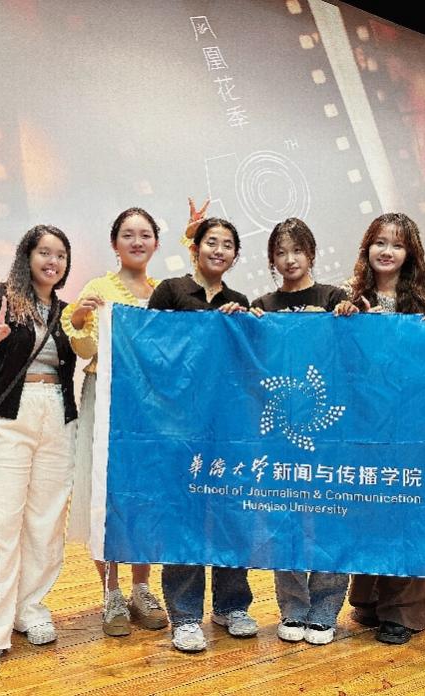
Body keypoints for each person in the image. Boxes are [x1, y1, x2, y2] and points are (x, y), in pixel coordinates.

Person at [0, 225, 78, 678]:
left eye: (60, 255)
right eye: (44, 252)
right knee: (1, 524)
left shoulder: (66, 313)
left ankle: (29, 607)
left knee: (46, 521)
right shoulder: (1, 298)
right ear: (26, 256)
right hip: (10, 416)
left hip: (59, 416)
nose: (52, 261)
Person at [148, 216, 260, 653]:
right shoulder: (171, 291)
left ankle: (231, 605)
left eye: (228, 244)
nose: (219, 250)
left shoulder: (239, 301)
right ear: (195, 248)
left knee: (232, 515)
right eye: (212, 242)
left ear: (235, 255)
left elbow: (247, 366)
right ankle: (185, 615)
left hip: (228, 427)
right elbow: (151, 348)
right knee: (184, 517)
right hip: (180, 426)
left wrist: (245, 325)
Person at [62, 208, 167, 637]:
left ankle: (141, 587)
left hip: (150, 406)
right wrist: (81, 319)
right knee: (103, 493)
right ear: (114, 243)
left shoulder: (164, 293)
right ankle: (111, 592)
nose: (136, 242)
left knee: (145, 495)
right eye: (128, 234)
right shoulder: (98, 289)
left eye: (144, 234)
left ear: (156, 243)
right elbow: (85, 349)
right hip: (104, 399)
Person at [335, 212, 425, 645]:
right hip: (361, 421)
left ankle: (403, 612)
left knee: (407, 510)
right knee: (367, 507)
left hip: (409, 423)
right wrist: (343, 323)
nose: (387, 251)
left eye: (397, 244)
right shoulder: (348, 297)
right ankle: (369, 598)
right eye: (380, 242)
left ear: (410, 253)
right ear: (367, 248)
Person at [250, 218, 349, 645]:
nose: (289, 259)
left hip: (329, 426)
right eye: (280, 252)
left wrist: (347, 317)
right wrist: (247, 326)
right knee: (284, 519)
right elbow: (252, 364)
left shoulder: (334, 299)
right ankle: (292, 608)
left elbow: (353, 352)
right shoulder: (263, 305)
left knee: (330, 517)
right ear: (272, 259)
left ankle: (325, 610)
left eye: (297, 250)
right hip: (279, 427)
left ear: (311, 253)